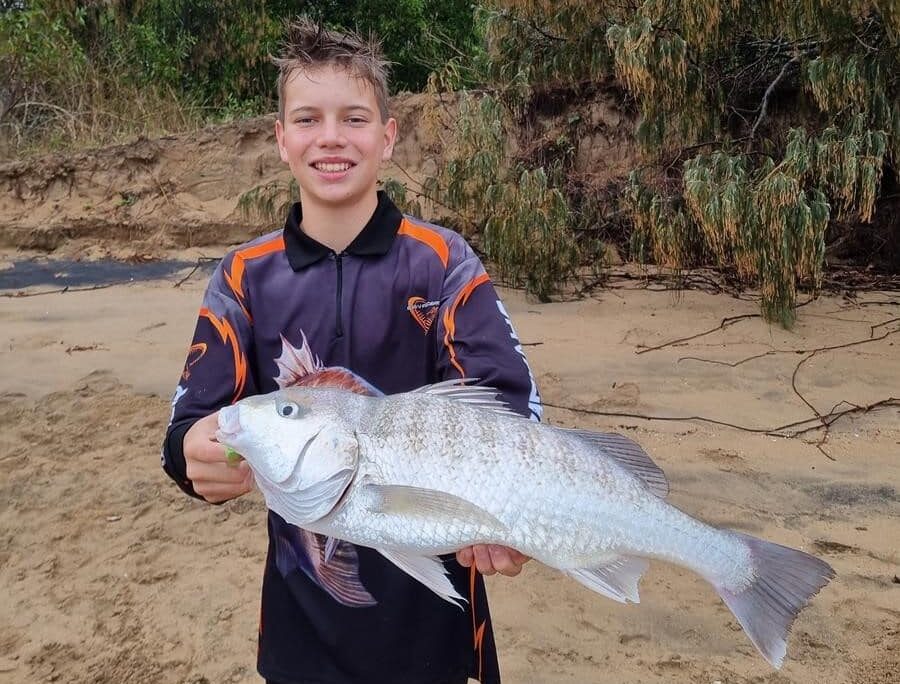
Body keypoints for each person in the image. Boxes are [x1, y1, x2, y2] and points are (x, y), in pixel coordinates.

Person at [161, 19, 542, 684]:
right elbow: (193, 420)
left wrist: (518, 511)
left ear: (388, 137)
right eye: (307, 118)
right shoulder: (244, 277)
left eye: (355, 117)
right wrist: (189, 455)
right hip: (299, 634)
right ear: (281, 140)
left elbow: (510, 406)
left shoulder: (443, 262)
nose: (331, 137)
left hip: (441, 632)